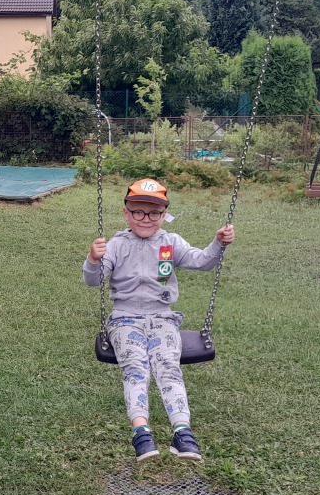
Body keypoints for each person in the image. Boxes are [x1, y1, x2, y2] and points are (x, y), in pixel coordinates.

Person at [83, 178, 235, 463]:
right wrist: (93, 259)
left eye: (154, 213)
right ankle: (141, 432)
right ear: (126, 213)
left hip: (163, 318)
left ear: (164, 214)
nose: (146, 218)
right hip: (124, 320)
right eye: (138, 211)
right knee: (135, 367)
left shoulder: (171, 242)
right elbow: (93, 280)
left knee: (168, 367)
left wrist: (217, 243)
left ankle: (182, 432)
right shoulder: (116, 245)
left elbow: (202, 261)